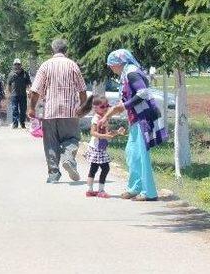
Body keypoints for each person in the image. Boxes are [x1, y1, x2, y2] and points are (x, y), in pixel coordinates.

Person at [98, 49, 168, 201]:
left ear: (119, 63)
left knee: (142, 155)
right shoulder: (126, 74)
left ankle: (149, 192)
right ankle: (134, 187)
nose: (111, 68)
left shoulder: (131, 73)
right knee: (132, 154)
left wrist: (124, 106)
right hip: (135, 119)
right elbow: (123, 101)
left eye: (112, 65)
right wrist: (107, 116)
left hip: (143, 118)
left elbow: (143, 92)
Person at [28, 39, 87, 183]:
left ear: (52, 50)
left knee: (50, 142)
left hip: (50, 111)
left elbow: (35, 91)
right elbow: (82, 90)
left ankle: (53, 174)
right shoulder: (73, 65)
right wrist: (83, 107)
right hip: (70, 111)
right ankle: (68, 158)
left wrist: (31, 108)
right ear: (66, 50)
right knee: (72, 138)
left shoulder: (45, 66)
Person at [77, 94, 126, 198]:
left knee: (94, 168)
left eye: (107, 105)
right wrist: (104, 136)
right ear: (95, 108)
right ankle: (100, 190)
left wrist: (117, 132)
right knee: (105, 168)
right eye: (103, 107)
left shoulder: (105, 118)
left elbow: (109, 134)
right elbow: (93, 132)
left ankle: (90, 190)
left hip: (101, 148)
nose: (106, 108)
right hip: (96, 148)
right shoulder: (96, 118)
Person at [7, 58, 31, 129]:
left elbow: (28, 84)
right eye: (15, 64)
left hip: (23, 95)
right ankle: (15, 124)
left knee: (23, 110)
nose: (17, 66)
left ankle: (22, 123)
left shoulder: (25, 73)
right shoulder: (11, 74)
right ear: (13, 65)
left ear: (21, 65)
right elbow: (9, 85)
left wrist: (29, 91)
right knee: (15, 110)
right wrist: (9, 94)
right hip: (14, 95)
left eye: (18, 64)